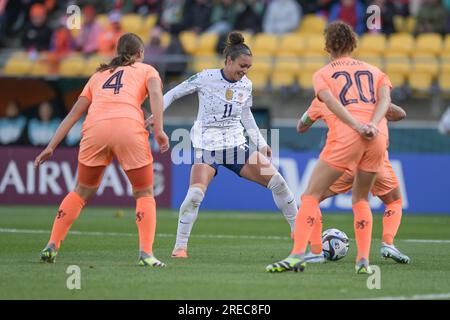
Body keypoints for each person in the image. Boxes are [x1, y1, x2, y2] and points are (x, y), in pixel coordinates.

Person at [266, 21, 392, 274]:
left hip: (348, 136)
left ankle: (297, 255)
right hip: (377, 136)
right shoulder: (376, 71)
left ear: (327, 46)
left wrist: (356, 125)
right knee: (361, 199)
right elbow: (386, 101)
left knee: (310, 196)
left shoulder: (323, 74)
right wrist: (372, 125)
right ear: (354, 44)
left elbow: (329, 102)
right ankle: (363, 261)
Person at [158, 31, 298, 258]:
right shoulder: (206, 77)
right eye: (242, 65)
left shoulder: (246, 85)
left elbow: (246, 114)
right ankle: (180, 247)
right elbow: (173, 93)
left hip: (236, 147)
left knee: (279, 182)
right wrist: (157, 115)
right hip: (207, 147)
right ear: (229, 60)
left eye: (248, 67)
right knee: (195, 196)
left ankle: (298, 231)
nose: (244, 71)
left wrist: (261, 143)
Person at [35, 33, 170, 268]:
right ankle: (146, 254)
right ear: (140, 53)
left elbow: (74, 113)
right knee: (144, 192)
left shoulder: (97, 76)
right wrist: (159, 129)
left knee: (80, 192)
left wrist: (51, 146)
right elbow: (157, 94)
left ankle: (52, 245)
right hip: (128, 127)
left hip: (95, 130)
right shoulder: (147, 70)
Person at [297, 99, 410, 264]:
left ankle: (316, 250)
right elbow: (400, 114)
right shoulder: (369, 98)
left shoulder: (323, 98)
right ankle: (388, 243)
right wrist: (383, 105)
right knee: (394, 201)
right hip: (375, 160)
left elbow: (301, 126)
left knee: (311, 198)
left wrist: (313, 116)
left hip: (345, 160)